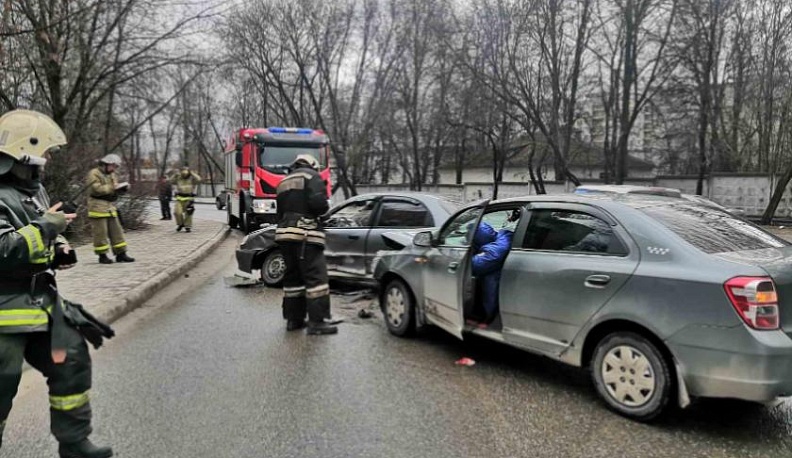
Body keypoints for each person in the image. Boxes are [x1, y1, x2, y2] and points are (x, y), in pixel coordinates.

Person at [0, 109, 115, 458]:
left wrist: (59, 250)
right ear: (25, 152)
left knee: (72, 360)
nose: (48, 160)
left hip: (39, 305)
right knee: (1, 383)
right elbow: (4, 248)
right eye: (45, 153)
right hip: (5, 311)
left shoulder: (36, 192)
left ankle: (74, 443)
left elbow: (38, 238)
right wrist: (48, 228)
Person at [275, 154, 337, 335]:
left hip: (284, 236)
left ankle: (294, 320)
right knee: (316, 278)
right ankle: (317, 323)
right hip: (305, 236)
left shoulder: (283, 181)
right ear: (312, 165)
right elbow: (319, 205)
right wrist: (323, 210)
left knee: (293, 279)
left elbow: (279, 213)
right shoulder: (312, 177)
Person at [86, 154, 135, 264]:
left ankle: (121, 254)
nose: (114, 169)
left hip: (110, 206)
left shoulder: (111, 174)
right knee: (100, 233)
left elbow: (114, 186)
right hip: (97, 207)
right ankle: (102, 255)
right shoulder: (93, 174)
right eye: (113, 166)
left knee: (117, 231)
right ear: (105, 164)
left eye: (115, 167)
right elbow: (96, 189)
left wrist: (121, 189)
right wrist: (113, 188)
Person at [471, 222, 514, 325]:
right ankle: (486, 316)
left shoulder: (503, 240)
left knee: (490, 277)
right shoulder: (500, 238)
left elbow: (480, 263)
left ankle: (488, 317)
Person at [171, 165, 201, 232]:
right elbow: (171, 181)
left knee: (188, 213)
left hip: (189, 198)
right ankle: (180, 224)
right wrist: (175, 175)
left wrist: (192, 173)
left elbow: (199, 179)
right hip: (179, 198)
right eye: (183, 173)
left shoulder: (192, 179)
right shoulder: (178, 178)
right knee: (177, 212)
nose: (184, 175)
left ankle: (188, 226)